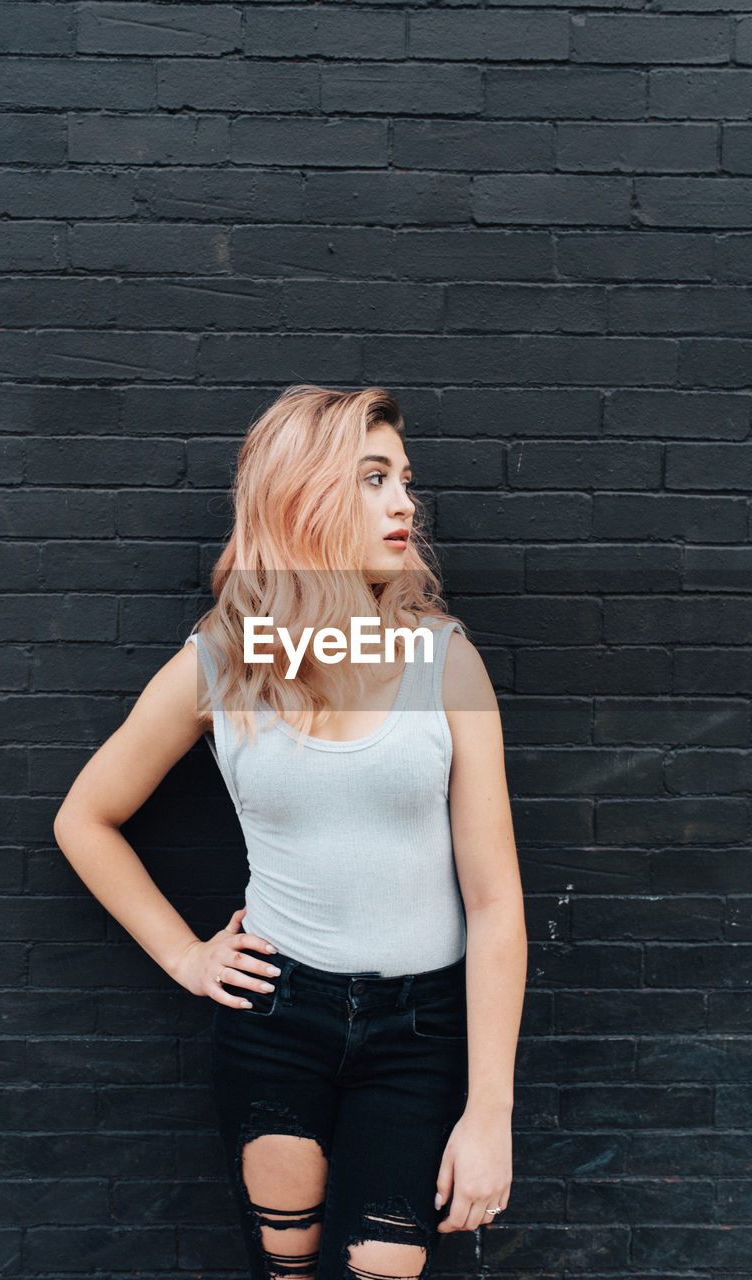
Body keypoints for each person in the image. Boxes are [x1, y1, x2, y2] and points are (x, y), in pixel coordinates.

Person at [53, 384, 528, 1280]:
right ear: (303, 495)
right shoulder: (226, 664)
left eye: (404, 480)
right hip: (276, 1020)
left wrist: (490, 1112)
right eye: (374, 478)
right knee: (287, 1272)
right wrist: (184, 955)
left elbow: (497, 900)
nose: (405, 503)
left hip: (421, 1031)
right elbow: (86, 817)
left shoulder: (441, 659)